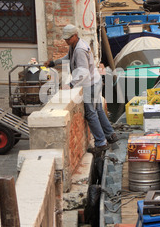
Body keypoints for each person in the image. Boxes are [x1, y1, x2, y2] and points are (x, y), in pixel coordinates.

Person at [45, 24, 118, 154]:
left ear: (75, 36)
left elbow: (83, 72)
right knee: (99, 110)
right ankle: (110, 135)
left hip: (90, 84)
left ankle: (101, 143)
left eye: (68, 38)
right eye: (65, 39)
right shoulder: (75, 46)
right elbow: (68, 58)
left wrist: (71, 84)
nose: (66, 41)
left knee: (91, 114)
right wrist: (53, 63)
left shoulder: (79, 50)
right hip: (94, 81)